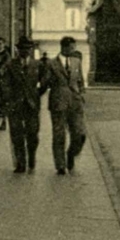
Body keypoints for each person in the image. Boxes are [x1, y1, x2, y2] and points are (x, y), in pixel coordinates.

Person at [1, 37, 46, 173]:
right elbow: (5, 84)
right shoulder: (10, 65)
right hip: (15, 105)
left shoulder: (37, 65)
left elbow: (44, 82)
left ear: (31, 49)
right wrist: (9, 98)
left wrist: (37, 93)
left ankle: (31, 157)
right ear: (17, 50)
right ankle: (20, 162)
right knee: (17, 134)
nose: (24, 51)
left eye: (27, 49)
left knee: (33, 133)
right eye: (22, 49)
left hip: (32, 105)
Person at [45, 36, 87, 175]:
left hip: (75, 103)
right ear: (64, 47)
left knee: (80, 134)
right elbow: (46, 82)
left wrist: (81, 95)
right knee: (59, 135)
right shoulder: (51, 63)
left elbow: (80, 81)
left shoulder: (76, 61)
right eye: (72, 47)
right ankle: (60, 165)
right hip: (58, 103)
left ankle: (71, 154)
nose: (74, 50)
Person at [0, 37, 11, 129]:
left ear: (4, 44)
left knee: (4, 101)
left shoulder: (7, 55)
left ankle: (4, 121)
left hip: (4, 81)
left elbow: (4, 66)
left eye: (0, 43)